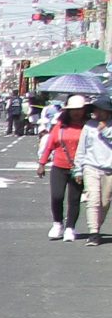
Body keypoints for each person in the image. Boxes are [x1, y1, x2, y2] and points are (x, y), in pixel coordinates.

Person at [41, 100, 87, 241]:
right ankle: (58, 224)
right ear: (68, 111)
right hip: (59, 166)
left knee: (74, 199)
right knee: (57, 196)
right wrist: (42, 163)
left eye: (80, 109)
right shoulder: (60, 126)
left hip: (78, 169)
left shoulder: (88, 127)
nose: (77, 112)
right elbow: (50, 145)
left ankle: (70, 228)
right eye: (73, 109)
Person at [78, 99, 112, 245]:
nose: (95, 112)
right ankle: (94, 232)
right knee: (93, 199)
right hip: (91, 166)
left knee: (104, 203)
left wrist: (104, 129)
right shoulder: (88, 126)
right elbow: (82, 148)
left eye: (98, 109)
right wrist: (78, 169)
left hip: (109, 169)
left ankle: (96, 226)